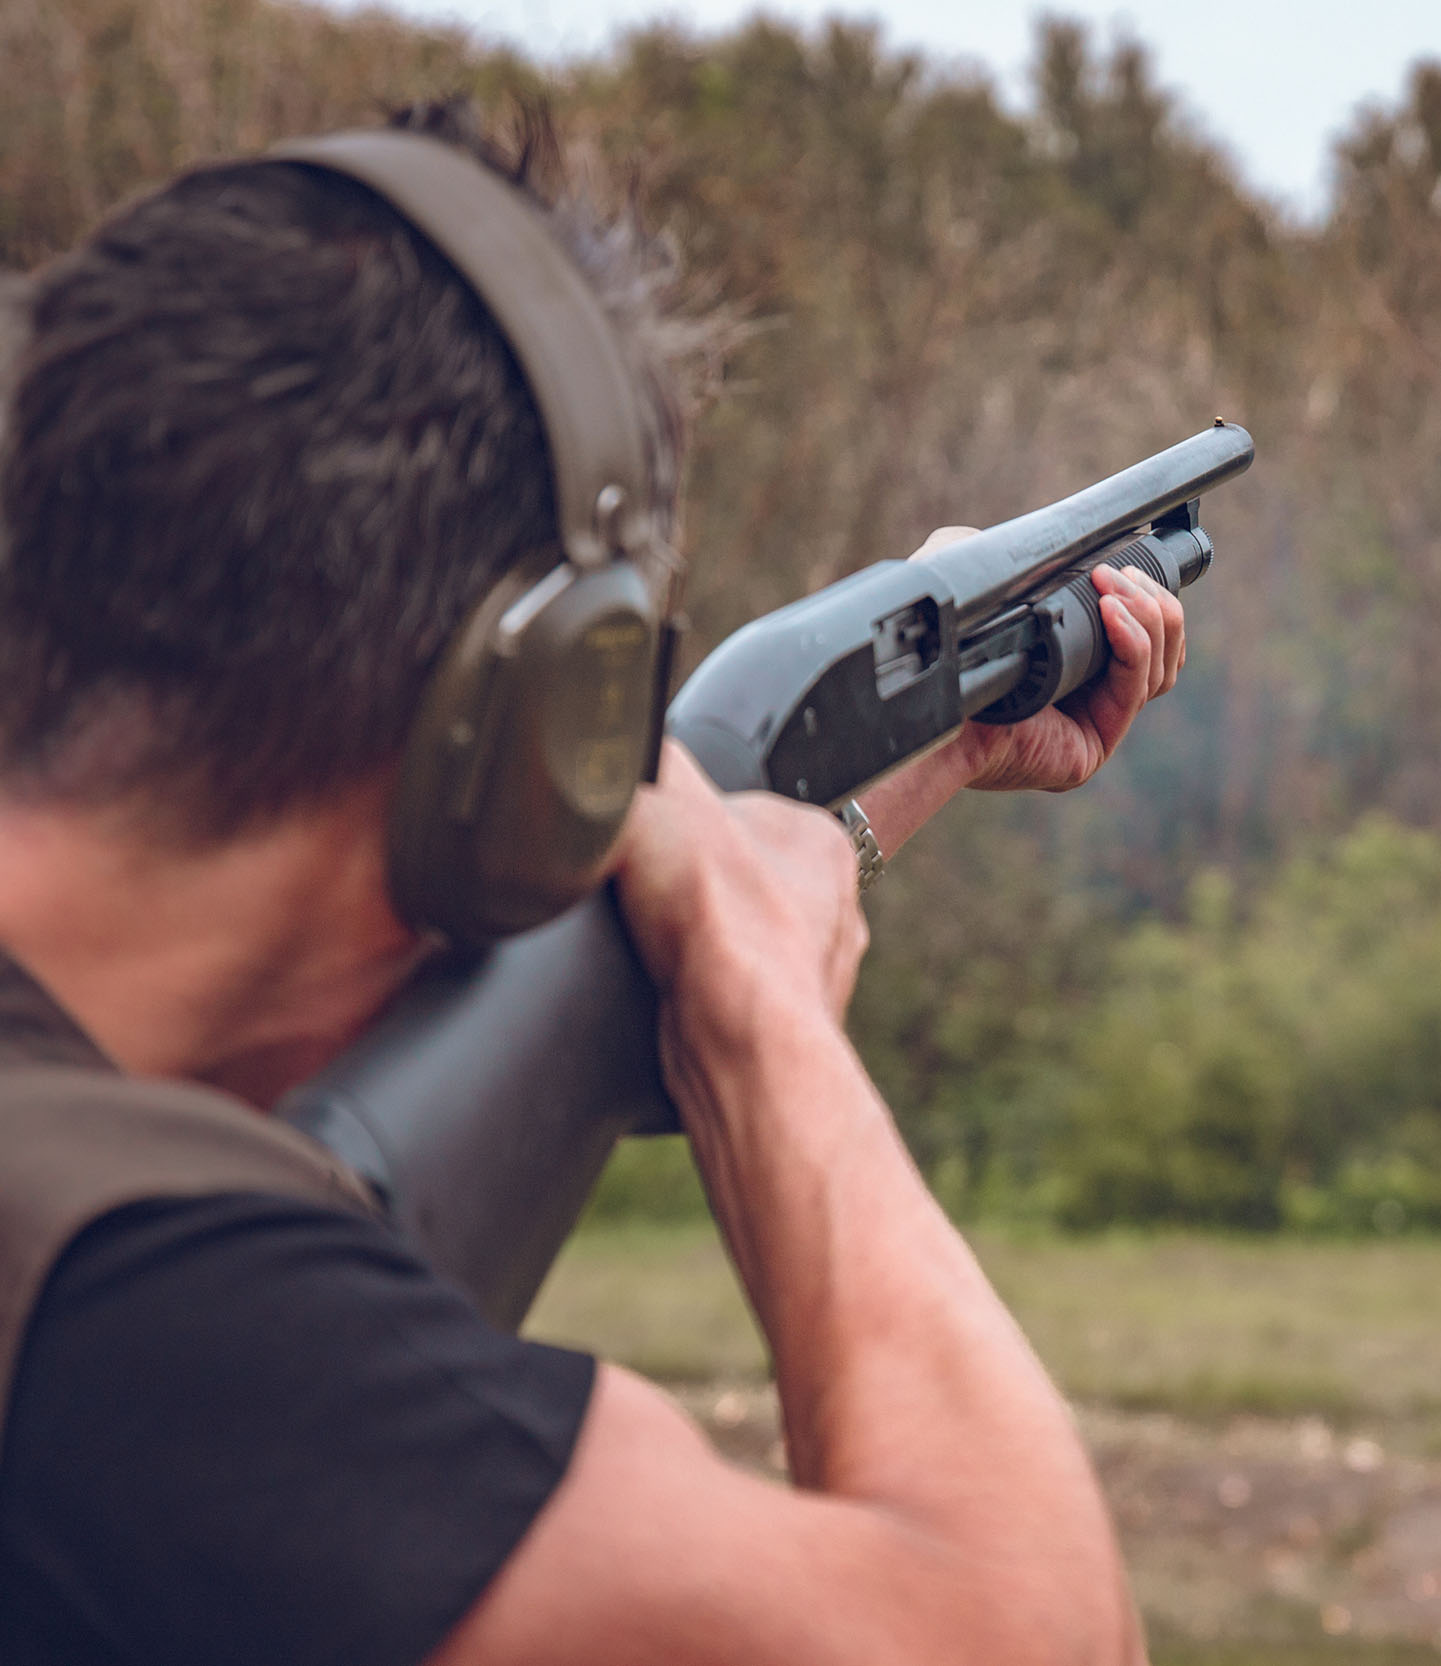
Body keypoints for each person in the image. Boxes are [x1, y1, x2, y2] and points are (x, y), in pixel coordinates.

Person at [0, 109, 1183, 1666]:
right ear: (540, 723)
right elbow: (1019, 1639)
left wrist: (922, 742)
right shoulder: (135, 1317)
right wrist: (763, 1020)